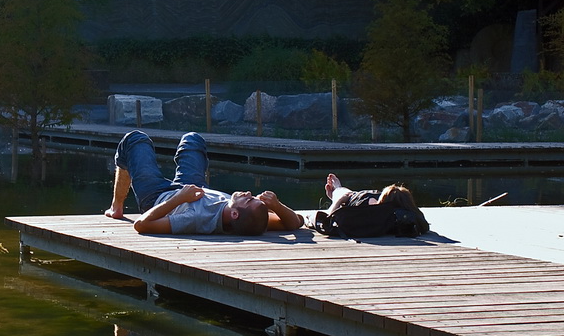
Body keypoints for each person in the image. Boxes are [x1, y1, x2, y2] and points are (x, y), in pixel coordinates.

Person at [104, 130, 303, 235]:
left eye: (248, 201)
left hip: (158, 197)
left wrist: (178, 199)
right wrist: (275, 205)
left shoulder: (196, 217)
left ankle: (117, 206)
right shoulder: (250, 220)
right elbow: (295, 223)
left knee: (135, 139)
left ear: (234, 213)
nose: (249, 194)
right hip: (195, 189)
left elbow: (141, 225)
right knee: (193, 139)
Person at [323, 173, 430, 233]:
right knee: (344, 192)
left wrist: (338, 202)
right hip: (364, 197)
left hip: (356, 197)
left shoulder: (375, 211)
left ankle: (338, 189)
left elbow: (328, 218)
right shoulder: (409, 214)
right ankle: (338, 188)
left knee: (344, 193)